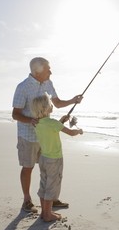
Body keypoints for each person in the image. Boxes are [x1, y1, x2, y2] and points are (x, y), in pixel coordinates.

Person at [12, 57, 83, 213]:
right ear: (38, 72)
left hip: (45, 135)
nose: (50, 71)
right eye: (48, 69)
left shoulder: (48, 83)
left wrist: (73, 100)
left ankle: (51, 200)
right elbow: (15, 114)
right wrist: (30, 120)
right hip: (28, 136)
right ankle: (27, 200)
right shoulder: (22, 87)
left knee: (47, 169)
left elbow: (56, 103)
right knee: (28, 167)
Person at [31, 93, 83, 222]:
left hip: (43, 159)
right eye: (50, 104)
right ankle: (48, 215)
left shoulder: (37, 123)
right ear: (45, 108)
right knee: (52, 186)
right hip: (54, 160)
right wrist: (79, 131)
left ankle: (44, 212)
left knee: (44, 184)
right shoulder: (53, 123)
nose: (52, 105)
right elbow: (70, 133)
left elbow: (51, 128)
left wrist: (62, 121)